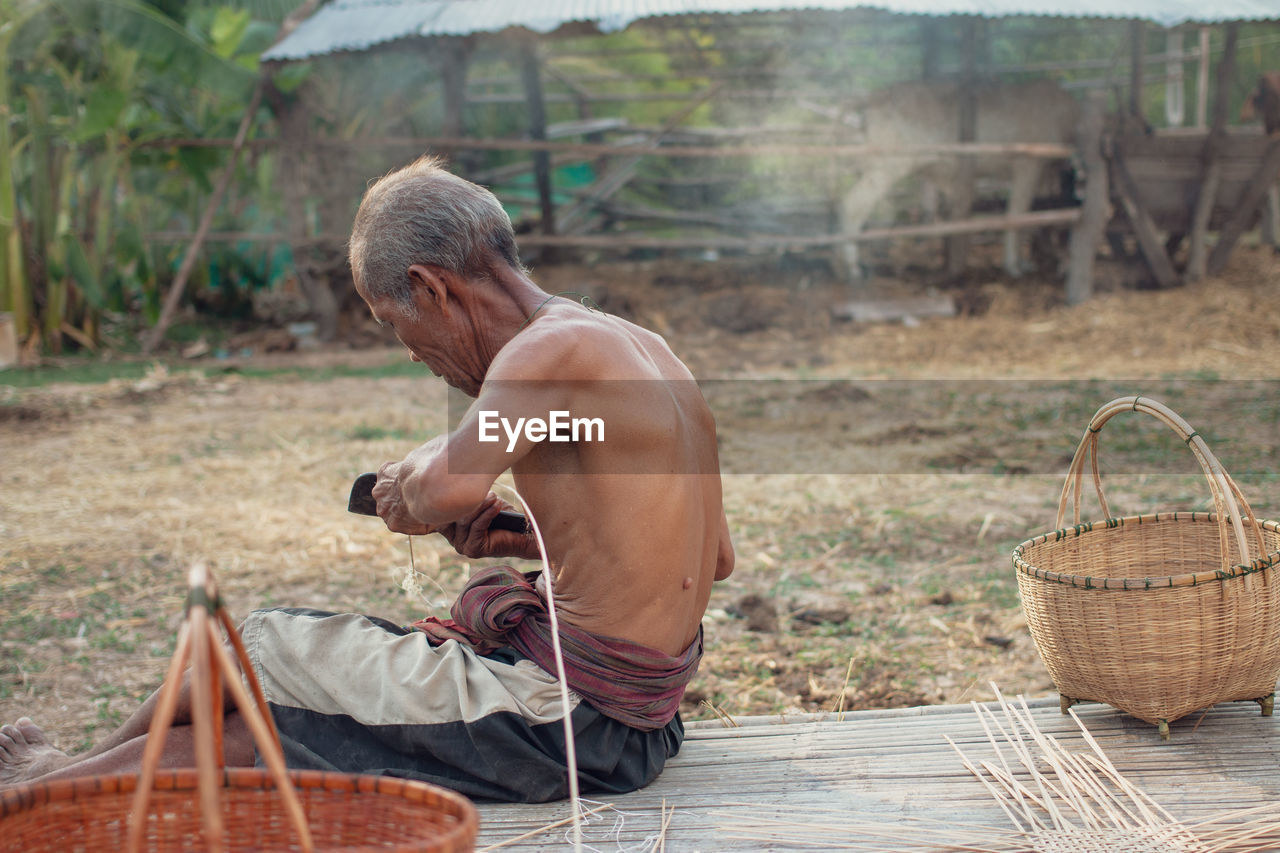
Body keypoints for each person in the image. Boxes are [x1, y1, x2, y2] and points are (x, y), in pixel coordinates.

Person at [0, 156, 734, 803]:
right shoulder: (647, 351)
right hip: (636, 725)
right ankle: (66, 776)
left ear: (431, 287)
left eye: (392, 323)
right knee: (268, 708)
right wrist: (511, 537)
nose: (412, 354)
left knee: (256, 645)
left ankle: (50, 780)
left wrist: (406, 480)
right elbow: (712, 559)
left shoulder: (550, 351)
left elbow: (441, 489)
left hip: (564, 720)